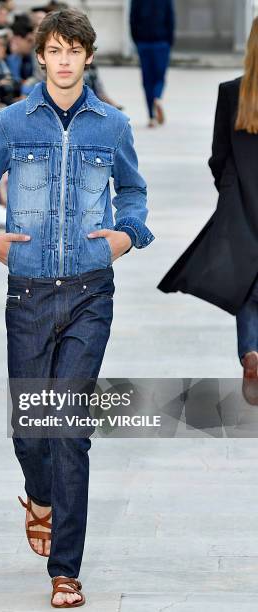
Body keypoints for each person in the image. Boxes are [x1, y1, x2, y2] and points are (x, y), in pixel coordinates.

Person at [0, 8, 154, 608]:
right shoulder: (12, 122)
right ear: (41, 56)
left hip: (92, 291)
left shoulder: (111, 125)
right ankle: (38, 497)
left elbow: (134, 191)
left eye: (76, 51)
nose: (65, 61)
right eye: (56, 50)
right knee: (29, 429)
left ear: (89, 57)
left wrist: (126, 234)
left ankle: (66, 570)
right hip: (30, 292)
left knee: (68, 429)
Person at [158, 18, 258, 404]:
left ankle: (250, 352)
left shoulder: (232, 92)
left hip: (240, 201)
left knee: (248, 286)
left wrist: (231, 195)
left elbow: (219, 156)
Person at [130, 0, 174, 127]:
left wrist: (136, 40)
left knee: (147, 80)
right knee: (159, 77)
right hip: (162, 42)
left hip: (143, 43)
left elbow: (132, 19)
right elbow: (170, 19)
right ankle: (158, 98)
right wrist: (169, 41)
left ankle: (151, 117)